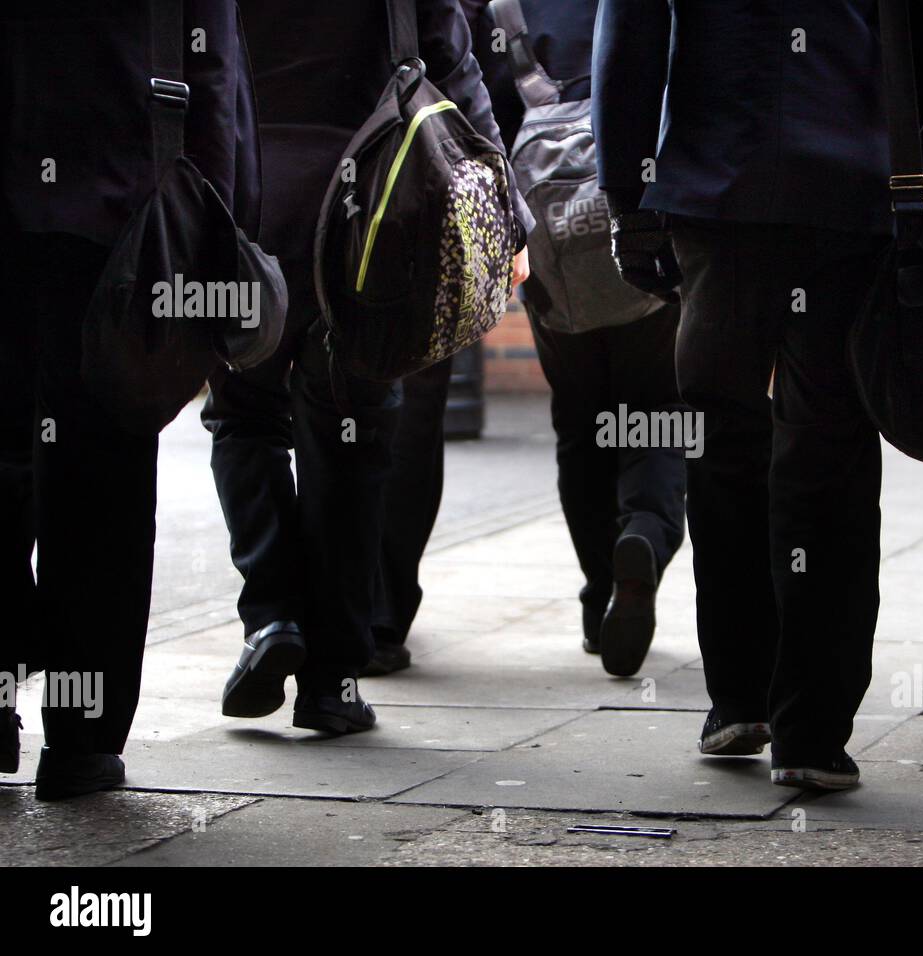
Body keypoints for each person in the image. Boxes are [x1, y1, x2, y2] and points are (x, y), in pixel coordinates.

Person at [593, 0, 923, 788]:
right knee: (831, 451)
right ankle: (814, 728)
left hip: (718, 186)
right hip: (855, 189)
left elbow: (630, 30)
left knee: (722, 443)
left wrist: (630, 198)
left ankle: (738, 694)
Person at [202, 0, 531, 732]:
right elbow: (452, 61)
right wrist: (506, 205)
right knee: (353, 435)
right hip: (373, 212)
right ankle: (333, 680)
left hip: (245, 204)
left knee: (242, 415)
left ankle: (272, 616)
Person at [0, 1, 258, 799]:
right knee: (103, 484)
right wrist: (224, 225)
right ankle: (81, 743)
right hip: (118, 223)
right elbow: (211, 69)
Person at [460, 0, 688, 677]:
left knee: (581, 424)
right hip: (644, 231)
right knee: (656, 413)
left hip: (554, 251)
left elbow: (482, 125)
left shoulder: (506, 7)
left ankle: (599, 599)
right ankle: (644, 534)